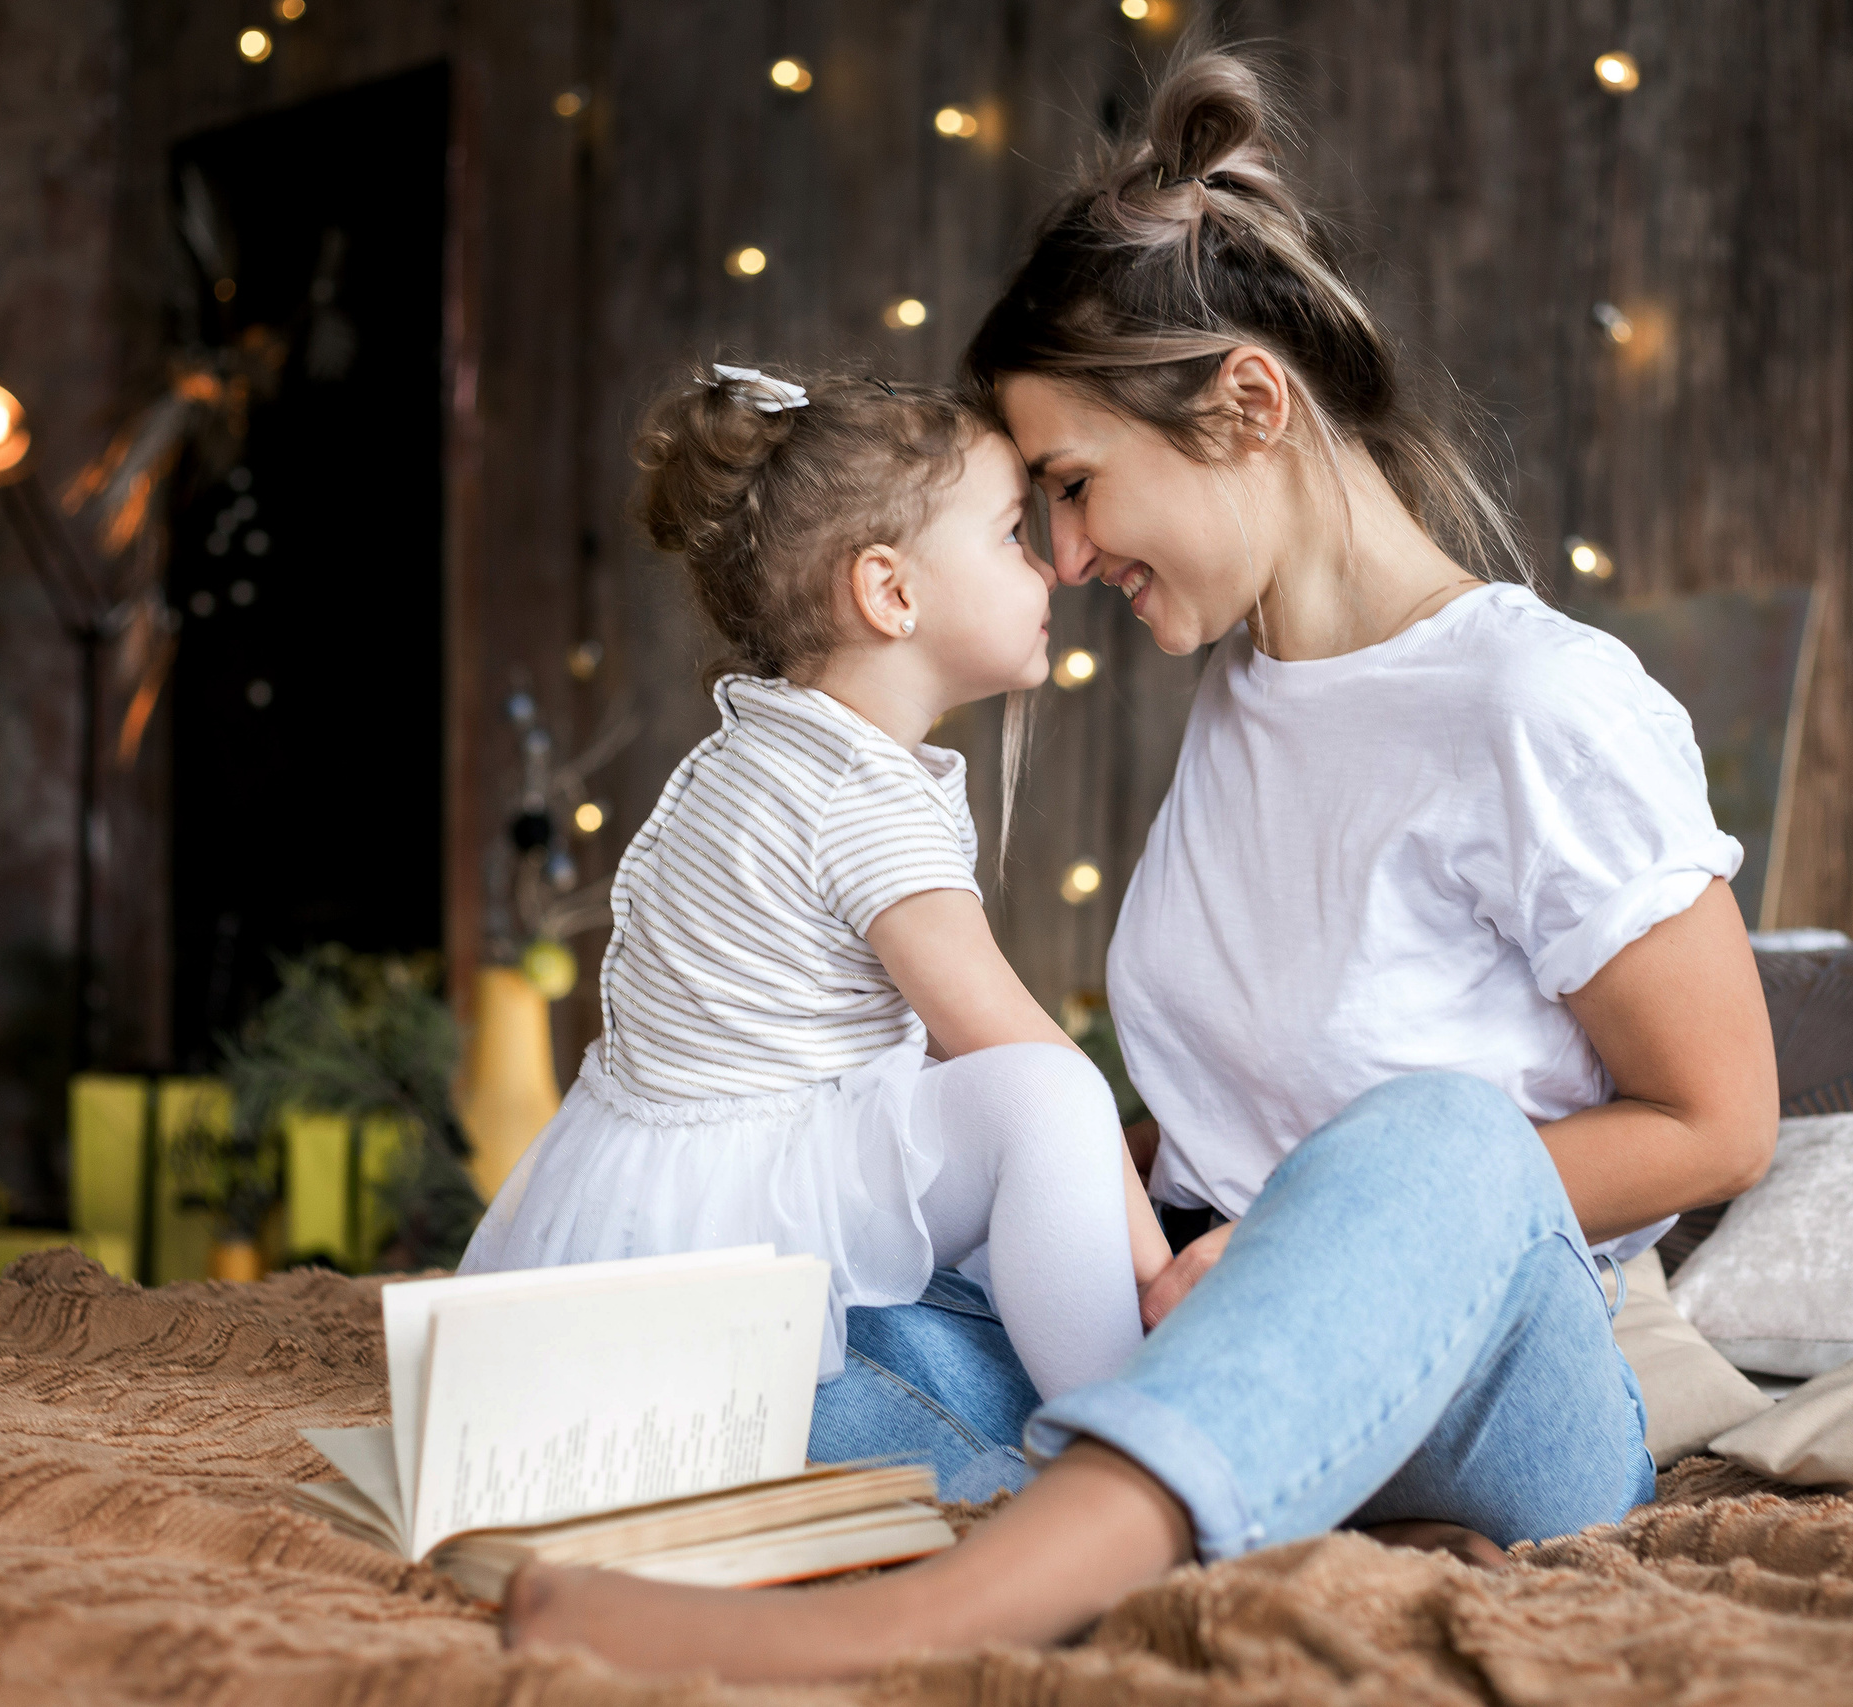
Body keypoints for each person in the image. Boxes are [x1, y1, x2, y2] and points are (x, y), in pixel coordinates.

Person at [504, 48, 1777, 1682]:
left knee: (1435, 1138)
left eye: (1076, 487)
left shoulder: (1539, 703)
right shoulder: (1244, 689)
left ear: (1248, 407)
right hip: (1201, 1324)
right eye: (1037, 507)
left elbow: (1722, 1120)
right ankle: (1208, 1513)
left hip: (1486, 1370)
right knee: (795, 1324)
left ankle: (936, 1613)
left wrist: (1295, 1243)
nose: (1062, 553)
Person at [461, 363, 1173, 1410]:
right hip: (742, 1227)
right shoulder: (857, 795)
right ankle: (1134, 1424)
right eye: (1010, 537)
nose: (1052, 570)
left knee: (987, 1115)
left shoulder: (766, 746)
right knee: (1050, 1098)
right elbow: (1015, 1047)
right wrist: (1156, 1272)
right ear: (891, 593)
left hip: (659, 1194)